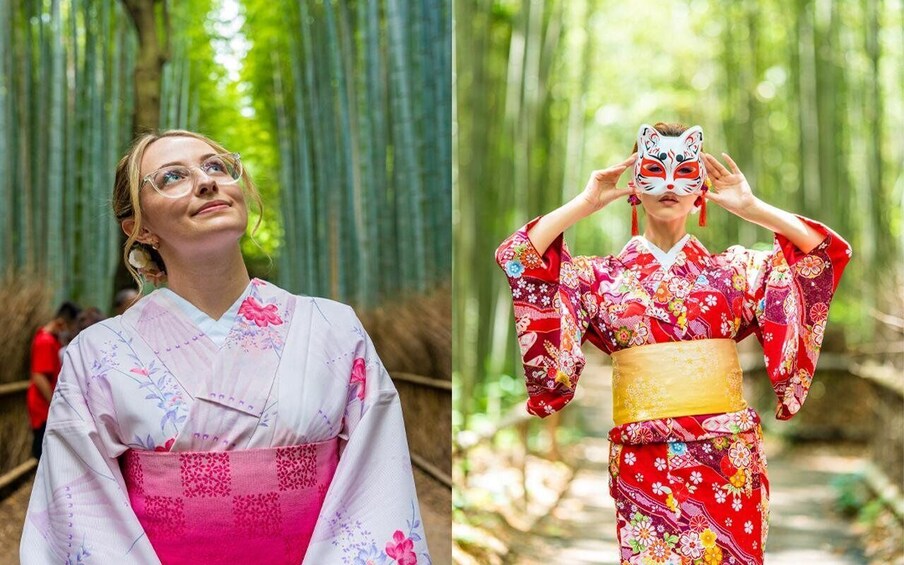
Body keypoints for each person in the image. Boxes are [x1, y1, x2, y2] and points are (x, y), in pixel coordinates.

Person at [21, 130, 430, 565]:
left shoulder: (334, 327)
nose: (205, 181)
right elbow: (79, 508)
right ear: (139, 229)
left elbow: (377, 476)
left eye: (216, 166)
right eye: (172, 176)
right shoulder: (97, 353)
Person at [495, 122, 851, 563]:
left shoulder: (735, 271)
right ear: (632, 186)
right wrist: (583, 204)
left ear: (701, 189)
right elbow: (517, 257)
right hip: (643, 460)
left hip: (727, 462)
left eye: (685, 172)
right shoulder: (599, 278)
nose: (669, 184)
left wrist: (753, 207)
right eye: (653, 169)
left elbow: (821, 256)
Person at [26, 301, 80, 460]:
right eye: (71, 327)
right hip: (42, 406)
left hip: (45, 404)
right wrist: (54, 402)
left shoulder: (51, 339)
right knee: (42, 450)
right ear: (61, 323)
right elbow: (39, 376)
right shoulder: (45, 341)